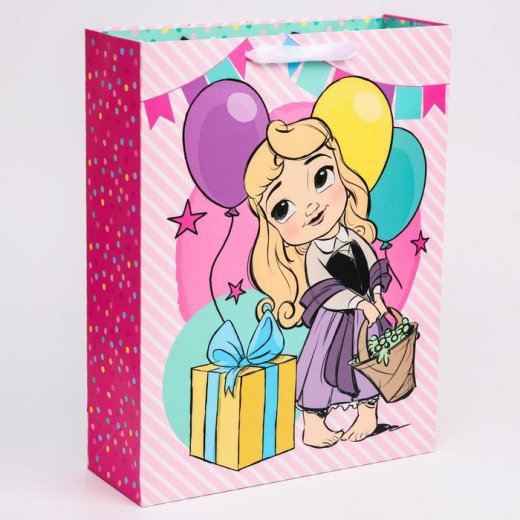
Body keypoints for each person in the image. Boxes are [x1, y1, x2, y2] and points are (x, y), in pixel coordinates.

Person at [244, 118, 393, 448]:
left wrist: (377, 295)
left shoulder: (354, 237)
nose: (311, 206)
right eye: (283, 208)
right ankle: (314, 423)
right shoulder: (313, 255)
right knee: (321, 369)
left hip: (369, 315)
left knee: (372, 362)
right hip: (335, 321)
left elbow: (373, 267)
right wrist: (360, 303)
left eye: (321, 176)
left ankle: (367, 414)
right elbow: (327, 289)